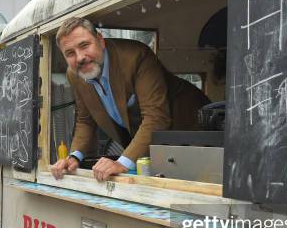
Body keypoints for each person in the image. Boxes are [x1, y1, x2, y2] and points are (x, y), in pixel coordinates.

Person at [51, 17, 210, 182]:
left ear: (100, 40)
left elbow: (157, 117)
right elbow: (85, 119)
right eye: (70, 53)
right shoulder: (74, 73)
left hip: (194, 132)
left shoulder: (137, 57)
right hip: (151, 148)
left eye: (84, 45)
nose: (80, 57)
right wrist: (74, 157)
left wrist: (122, 163)